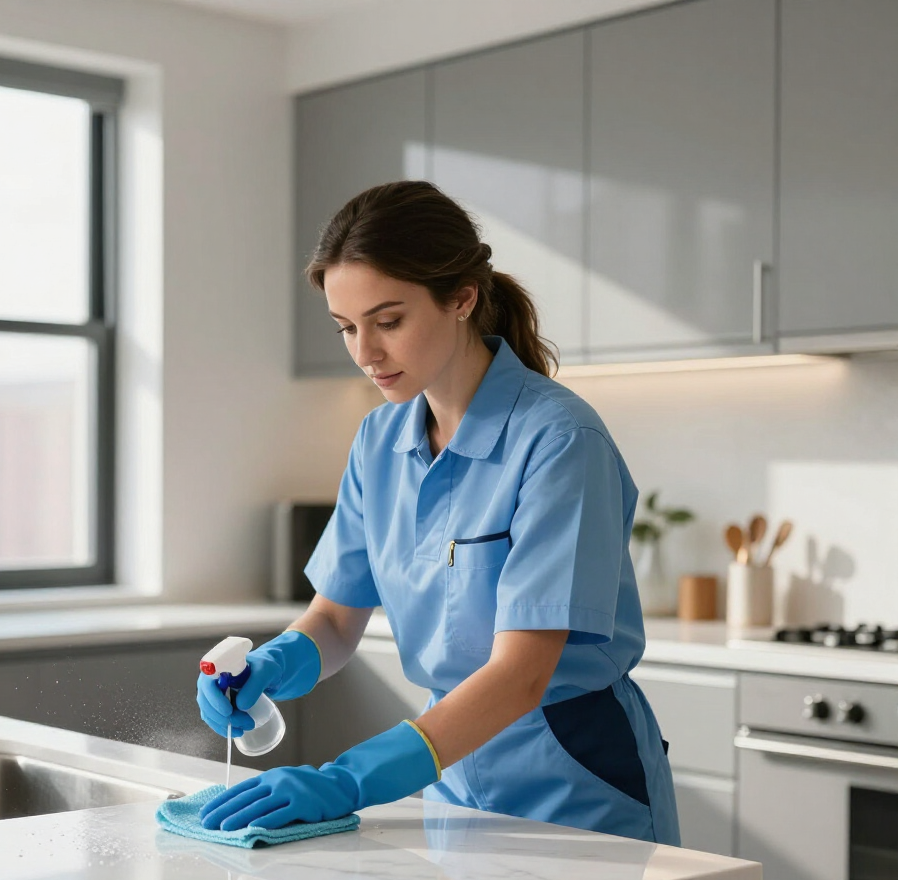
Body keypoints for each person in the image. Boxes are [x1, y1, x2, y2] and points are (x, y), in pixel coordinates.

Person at [196, 180, 680, 846]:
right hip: (450, 775)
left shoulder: (559, 440)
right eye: (347, 328)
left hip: (573, 788)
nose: (365, 352)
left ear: (461, 298)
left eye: (388, 321)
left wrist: (345, 781)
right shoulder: (379, 441)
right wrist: (273, 666)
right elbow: (337, 619)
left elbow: (520, 675)